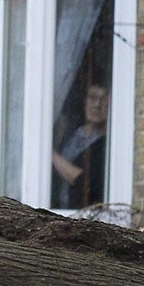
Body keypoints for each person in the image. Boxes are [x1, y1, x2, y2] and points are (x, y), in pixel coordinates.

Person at [51, 80, 109, 210]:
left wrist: (50, 154)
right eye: (92, 98)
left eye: (103, 99)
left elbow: (82, 180)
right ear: (84, 101)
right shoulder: (68, 133)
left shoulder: (108, 145)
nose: (97, 105)